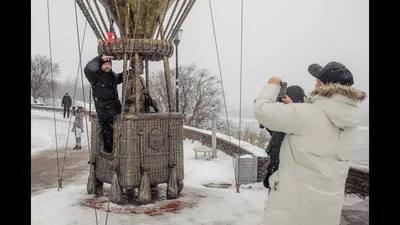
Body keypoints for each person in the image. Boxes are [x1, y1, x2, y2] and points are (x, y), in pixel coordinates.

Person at [254, 61, 366, 225]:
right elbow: (319, 126)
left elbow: (261, 110)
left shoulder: (305, 116)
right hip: (328, 212)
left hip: (292, 211)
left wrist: (272, 86)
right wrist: (296, 109)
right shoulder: (350, 125)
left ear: (321, 84)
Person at [262, 85, 307, 189]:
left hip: (283, 179)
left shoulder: (290, 121)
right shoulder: (300, 119)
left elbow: (277, 153)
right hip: (292, 178)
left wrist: (270, 173)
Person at [84, 54, 123, 153]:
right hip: (104, 111)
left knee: (118, 135)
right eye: (105, 64)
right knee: (108, 136)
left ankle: (116, 154)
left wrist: (130, 72)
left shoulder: (112, 75)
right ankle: (109, 156)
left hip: (115, 110)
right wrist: (99, 58)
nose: (107, 66)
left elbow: (119, 78)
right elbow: (88, 69)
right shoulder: (96, 76)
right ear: (100, 65)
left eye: (109, 64)